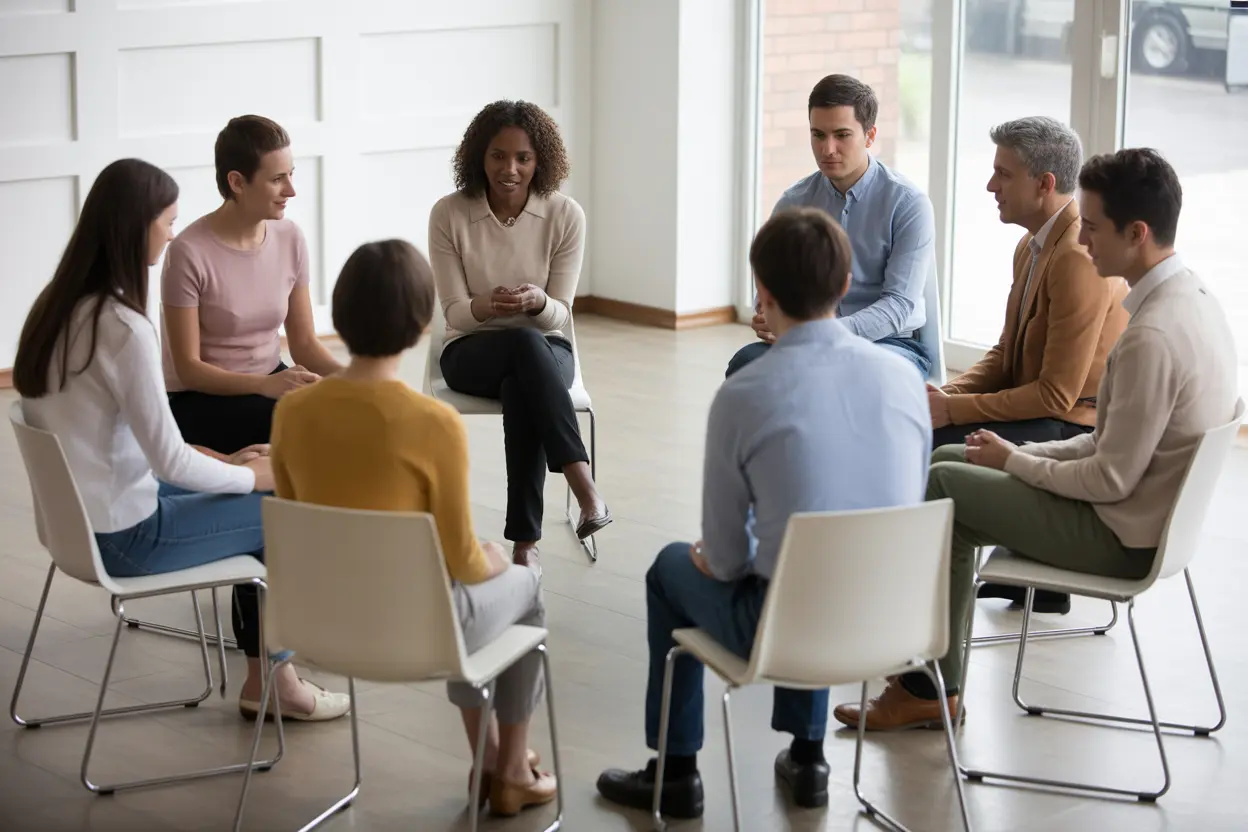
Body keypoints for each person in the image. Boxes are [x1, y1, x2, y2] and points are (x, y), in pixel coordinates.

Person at [833, 148, 1239, 732]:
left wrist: (1017, 463)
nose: (1084, 238)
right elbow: (1106, 445)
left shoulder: (1152, 336)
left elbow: (1108, 476)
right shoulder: (1192, 299)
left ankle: (929, 687)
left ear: (1137, 234)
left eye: (1094, 227)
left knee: (945, 485)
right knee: (950, 456)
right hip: (1142, 515)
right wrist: (1013, 454)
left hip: (1121, 537)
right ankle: (921, 656)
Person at [596, 208, 931, 819]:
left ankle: (675, 773)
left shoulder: (746, 392)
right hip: (900, 625)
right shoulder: (905, 379)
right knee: (820, 561)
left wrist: (728, 554)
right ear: (845, 281)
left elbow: (724, 562)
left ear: (763, 291)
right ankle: (808, 758)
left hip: (789, 629)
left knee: (674, 569)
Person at [13, 158, 350, 722]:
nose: (172, 234)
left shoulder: (57, 308)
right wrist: (249, 476)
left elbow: (136, 448)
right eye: (167, 221)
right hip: (126, 537)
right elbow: (167, 458)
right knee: (280, 508)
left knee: (255, 483)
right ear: (135, 226)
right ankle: (276, 682)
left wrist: (226, 460)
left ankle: (272, 670)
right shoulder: (123, 328)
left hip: (77, 524)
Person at [269, 239, 556, 816]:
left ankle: (492, 761)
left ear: (339, 315)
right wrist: (495, 557)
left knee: (466, 592)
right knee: (523, 585)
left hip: (319, 624)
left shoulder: (292, 412)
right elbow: (463, 564)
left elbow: (299, 528)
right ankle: (510, 769)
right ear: (421, 320)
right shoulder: (433, 423)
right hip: (418, 631)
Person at [929, 116, 1130, 615]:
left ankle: (923, 593)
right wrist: (947, 395)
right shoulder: (1033, 245)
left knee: (927, 443)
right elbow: (1006, 354)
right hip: (1045, 414)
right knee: (925, 422)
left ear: (1044, 184)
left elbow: (1056, 397)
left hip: (1071, 427)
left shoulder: (1077, 258)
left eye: (1003, 173)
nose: (990, 185)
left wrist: (953, 413)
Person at [429, 100, 609, 565]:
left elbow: (559, 315)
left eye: (523, 158)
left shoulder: (565, 215)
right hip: (470, 352)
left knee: (522, 380)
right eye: (498, 156)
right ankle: (584, 486)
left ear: (540, 161)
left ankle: (525, 545)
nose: (509, 169)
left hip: (548, 350)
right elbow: (455, 314)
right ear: (479, 157)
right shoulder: (449, 214)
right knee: (525, 350)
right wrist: (489, 304)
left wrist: (538, 303)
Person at [726, 74, 936, 379]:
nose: (828, 149)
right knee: (745, 364)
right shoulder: (794, 201)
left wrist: (821, 334)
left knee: (850, 375)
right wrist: (767, 313)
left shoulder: (908, 204)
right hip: (803, 337)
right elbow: (769, 280)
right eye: (818, 135)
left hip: (890, 343)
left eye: (841, 135)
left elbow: (899, 305)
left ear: (870, 136)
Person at [161, 115, 343, 456]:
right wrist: (265, 385)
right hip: (200, 398)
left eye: (291, 175)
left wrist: (358, 380)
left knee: (350, 413)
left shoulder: (290, 237)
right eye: (277, 179)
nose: (291, 190)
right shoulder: (187, 252)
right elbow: (188, 369)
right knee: (311, 425)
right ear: (237, 182)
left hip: (269, 381)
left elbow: (304, 343)